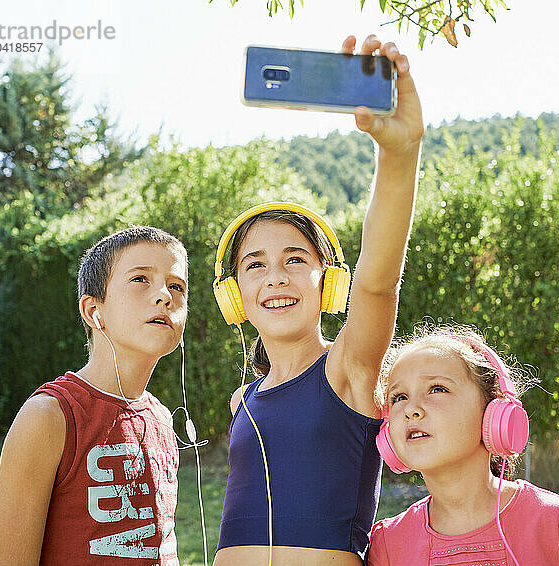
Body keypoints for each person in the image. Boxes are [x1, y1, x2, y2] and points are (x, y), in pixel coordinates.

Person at [212, 34, 424, 566]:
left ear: (328, 284)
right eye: (255, 266)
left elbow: (378, 282)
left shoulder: (349, 368)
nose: (275, 277)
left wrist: (399, 154)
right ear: (235, 296)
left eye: (295, 260)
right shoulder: (246, 402)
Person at [0, 226, 189, 566]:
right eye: (141, 279)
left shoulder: (162, 419)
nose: (164, 295)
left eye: (176, 285)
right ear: (94, 311)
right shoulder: (49, 416)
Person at [367, 324, 559, 566]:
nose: (411, 409)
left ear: (493, 414)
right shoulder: (388, 544)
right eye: (399, 397)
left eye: (437, 389)